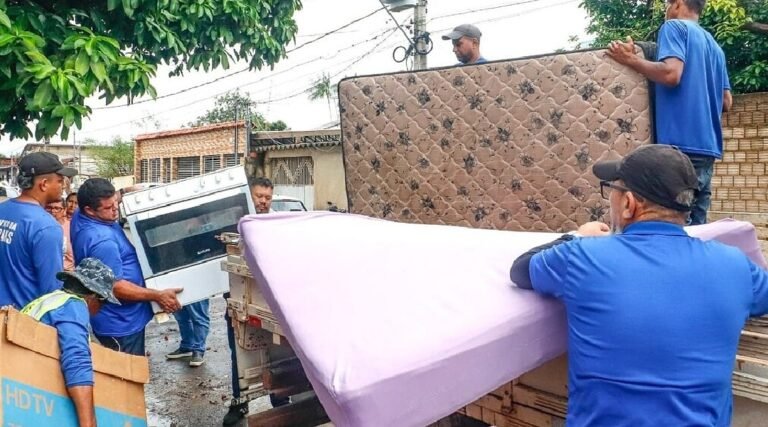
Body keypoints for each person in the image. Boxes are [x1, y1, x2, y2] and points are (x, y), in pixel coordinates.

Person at [509, 145, 768, 426]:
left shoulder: (581, 258)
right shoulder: (735, 266)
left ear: (629, 203)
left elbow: (521, 269)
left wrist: (576, 237)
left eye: (612, 189)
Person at [606, 0, 732, 225]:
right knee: (696, 229)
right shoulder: (715, 47)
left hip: (679, 148)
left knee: (671, 225)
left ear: (678, 3)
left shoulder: (674, 27)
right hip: (708, 148)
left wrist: (631, 59)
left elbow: (671, 74)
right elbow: (726, 101)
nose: (666, 10)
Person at [71, 178, 182, 356]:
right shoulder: (102, 241)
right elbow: (115, 287)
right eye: (108, 208)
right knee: (127, 377)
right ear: (90, 210)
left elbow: (110, 201)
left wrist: (126, 191)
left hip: (120, 319)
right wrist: (157, 295)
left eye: (116, 203)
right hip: (121, 324)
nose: (115, 210)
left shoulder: (81, 215)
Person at [21, 257, 120, 427]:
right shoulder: (74, 307)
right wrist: (88, 422)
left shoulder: (51, 299)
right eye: (103, 304)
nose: (99, 311)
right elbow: (76, 362)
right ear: (93, 297)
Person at [223, 176, 280, 425]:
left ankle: (280, 399)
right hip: (239, 298)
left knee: (278, 352)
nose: (264, 202)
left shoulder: (276, 222)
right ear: (250, 195)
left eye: (268, 197)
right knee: (241, 352)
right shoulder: (235, 220)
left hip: (270, 301)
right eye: (259, 196)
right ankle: (240, 402)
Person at [0, 152, 77, 308]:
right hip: (25, 321)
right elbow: (52, 292)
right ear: (43, 184)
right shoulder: (46, 227)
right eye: (60, 181)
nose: (63, 186)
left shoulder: (2, 210)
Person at [46, 198, 75, 271]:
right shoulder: (40, 227)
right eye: (49, 208)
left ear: (64, 210)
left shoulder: (72, 228)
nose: (53, 211)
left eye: (57, 208)